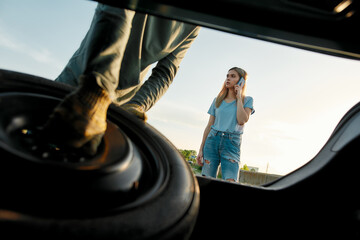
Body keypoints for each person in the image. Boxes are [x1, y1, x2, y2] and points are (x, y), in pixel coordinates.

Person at [42, 4, 200, 155]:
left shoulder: (194, 24)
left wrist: (138, 104)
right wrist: (96, 91)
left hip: (121, 106)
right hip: (81, 83)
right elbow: (116, 13)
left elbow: (165, 73)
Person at [196, 67, 255, 182]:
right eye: (227, 76)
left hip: (231, 143)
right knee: (207, 181)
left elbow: (242, 120)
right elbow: (209, 125)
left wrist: (238, 97)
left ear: (241, 81)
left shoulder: (247, 100)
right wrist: (201, 149)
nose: (228, 78)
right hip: (212, 141)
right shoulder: (217, 100)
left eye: (233, 76)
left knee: (231, 181)